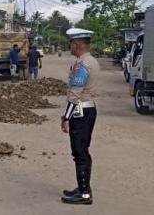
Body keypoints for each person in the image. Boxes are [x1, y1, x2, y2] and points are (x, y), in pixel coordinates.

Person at [60, 28, 100, 205]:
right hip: (88, 109)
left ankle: (84, 194)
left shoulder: (81, 65)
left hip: (80, 111)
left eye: (71, 43)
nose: (70, 46)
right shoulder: (91, 60)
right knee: (82, 150)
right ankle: (83, 187)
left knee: (80, 152)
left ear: (78, 44)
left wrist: (65, 117)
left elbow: (75, 93)